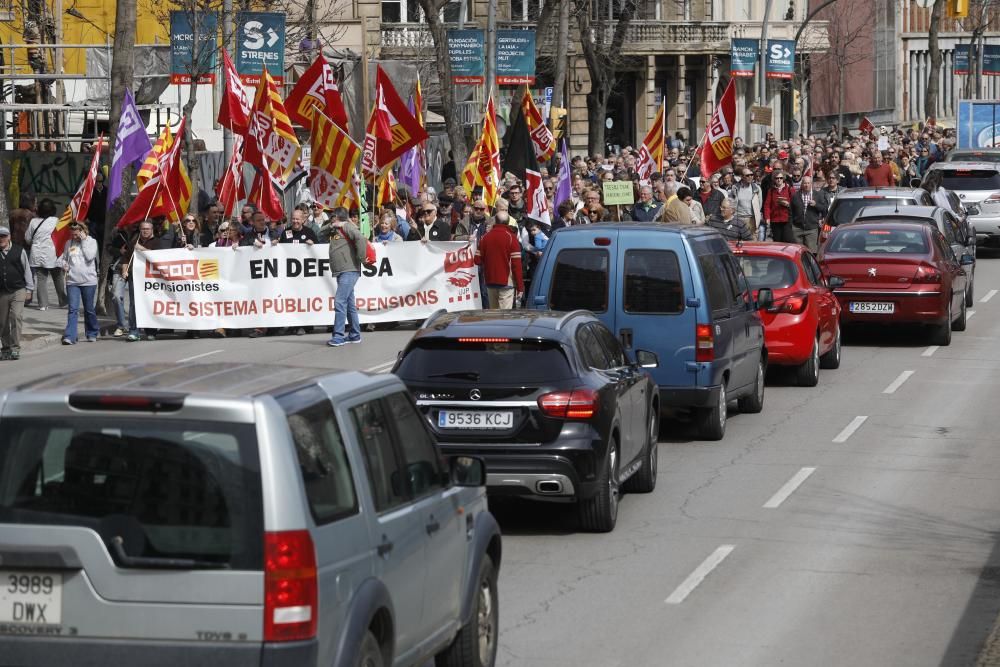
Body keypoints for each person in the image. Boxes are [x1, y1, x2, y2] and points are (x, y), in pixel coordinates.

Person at [326, 207, 366, 347]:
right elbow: (319, 234)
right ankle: (355, 335)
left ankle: (338, 336)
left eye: (333, 217)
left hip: (349, 270)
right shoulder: (334, 229)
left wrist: (361, 258)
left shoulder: (348, 227)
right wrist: (332, 225)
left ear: (338, 216)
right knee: (349, 304)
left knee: (339, 301)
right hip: (342, 271)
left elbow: (360, 238)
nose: (331, 218)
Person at [59, 222, 100, 345]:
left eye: (76, 234)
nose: (74, 236)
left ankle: (92, 332)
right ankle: (70, 336)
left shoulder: (92, 242)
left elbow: (89, 256)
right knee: (73, 309)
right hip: (72, 281)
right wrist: (63, 265)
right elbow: (63, 258)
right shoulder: (69, 243)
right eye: (72, 234)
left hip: (88, 281)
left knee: (88, 309)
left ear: (83, 231)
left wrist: (84, 241)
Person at [24, 198, 67, 310]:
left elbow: (28, 238)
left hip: (37, 253)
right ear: (53, 209)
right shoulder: (57, 221)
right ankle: (63, 301)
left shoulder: (33, 222)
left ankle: (43, 304)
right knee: (58, 277)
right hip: (53, 253)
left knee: (41, 279)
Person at [475, 214, 524, 309]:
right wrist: (520, 287)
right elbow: (516, 266)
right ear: (508, 221)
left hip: (490, 281)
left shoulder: (485, 237)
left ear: (495, 221)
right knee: (504, 318)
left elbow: (477, 260)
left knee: (493, 316)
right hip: (507, 283)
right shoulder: (512, 238)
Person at [0, 225, 34, 361]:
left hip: (18, 289)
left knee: (16, 316)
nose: (1, 239)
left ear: (8, 237)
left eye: (3, 236)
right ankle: (6, 348)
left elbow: (27, 270)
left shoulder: (19, 250)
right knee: (2, 322)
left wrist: (30, 289)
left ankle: (15, 348)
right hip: (2, 291)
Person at [790, 175, 821, 252]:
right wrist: (792, 224)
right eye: (804, 183)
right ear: (802, 184)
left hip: (812, 229)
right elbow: (791, 211)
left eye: (808, 183)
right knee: (797, 251)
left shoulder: (817, 195)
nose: (806, 185)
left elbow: (824, 208)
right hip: (797, 228)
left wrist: (816, 205)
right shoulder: (795, 196)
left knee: (811, 252)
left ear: (811, 184)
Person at [730, 167, 762, 238]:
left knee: (752, 241)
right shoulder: (735, 188)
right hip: (739, 219)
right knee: (739, 242)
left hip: (752, 219)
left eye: (751, 175)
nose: (750, 177)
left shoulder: (756, 188)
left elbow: (759, 204)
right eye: (747, 175)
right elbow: (732, 204)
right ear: (742, 177)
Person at [763, 171, 794, 242]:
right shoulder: (771, 191)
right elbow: (767, 205)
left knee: (787, 239)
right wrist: (767, 217)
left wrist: (788, 204)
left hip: (786, 219)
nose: (779, 179)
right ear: (774, 179)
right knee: (777, 241)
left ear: (783, 179)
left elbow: (795, 203)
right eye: (777, 178)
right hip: (775, 220)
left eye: (781, 178)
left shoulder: (789, 189)